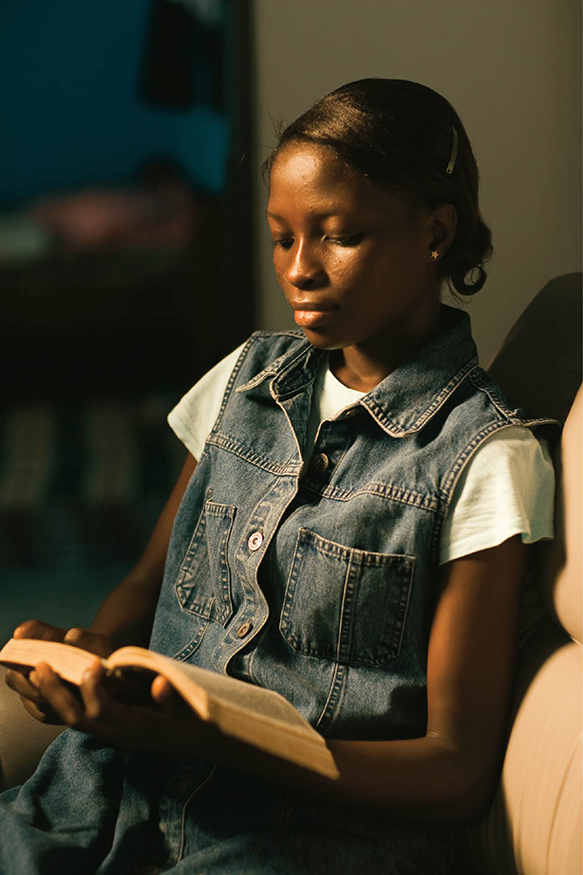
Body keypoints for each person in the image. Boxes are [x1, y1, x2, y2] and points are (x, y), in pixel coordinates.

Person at [0, 79, 556, 874]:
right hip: (109, 791)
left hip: (297, 841)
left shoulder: (484, 458)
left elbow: (454, 772)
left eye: (337, 236)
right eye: (281, 237)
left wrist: (222, 739)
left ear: (435, 230)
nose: (300, 269)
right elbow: (150, 579)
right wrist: (88, 660)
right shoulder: (246, 379)